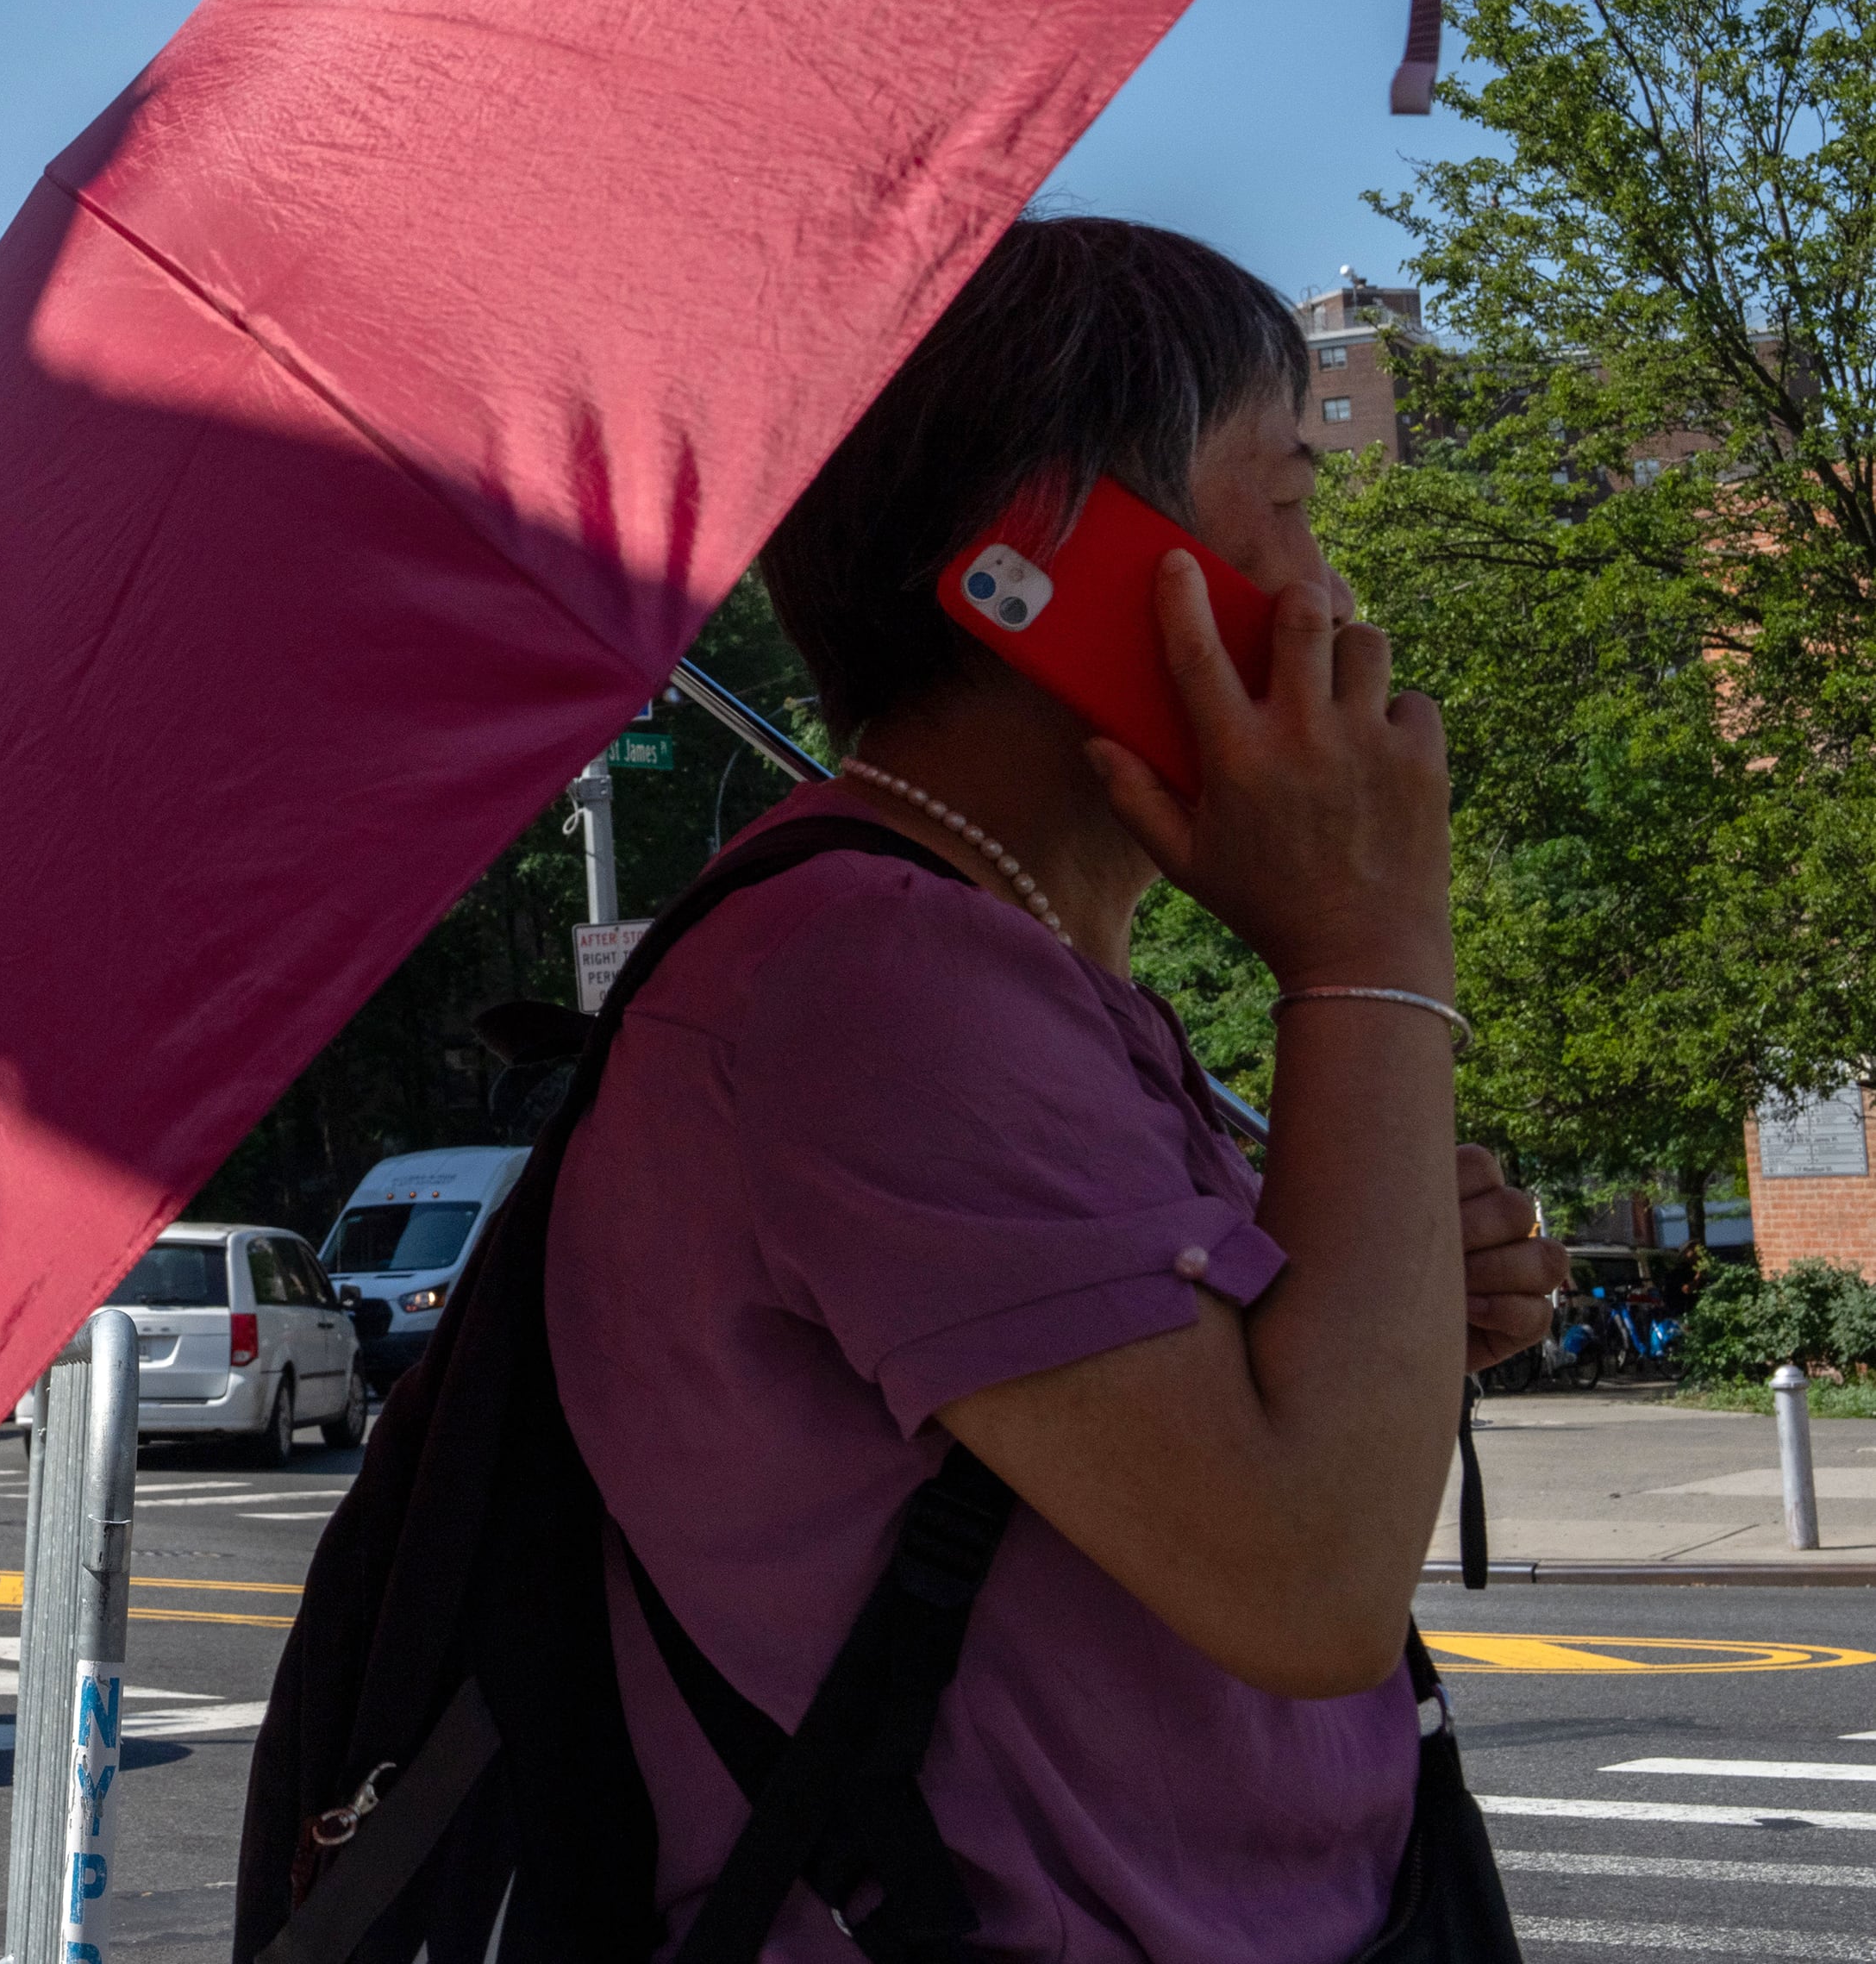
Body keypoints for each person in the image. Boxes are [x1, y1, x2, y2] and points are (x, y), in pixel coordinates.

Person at [553, 216, 1566, 1956]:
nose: (1338, 599)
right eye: (1294, 499)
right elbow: (1307, 1574)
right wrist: (1372, 952)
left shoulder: (991, 963)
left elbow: (1217, 1447)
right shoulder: (877, 990)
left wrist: (1378, 1292)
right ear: (1055, 566)